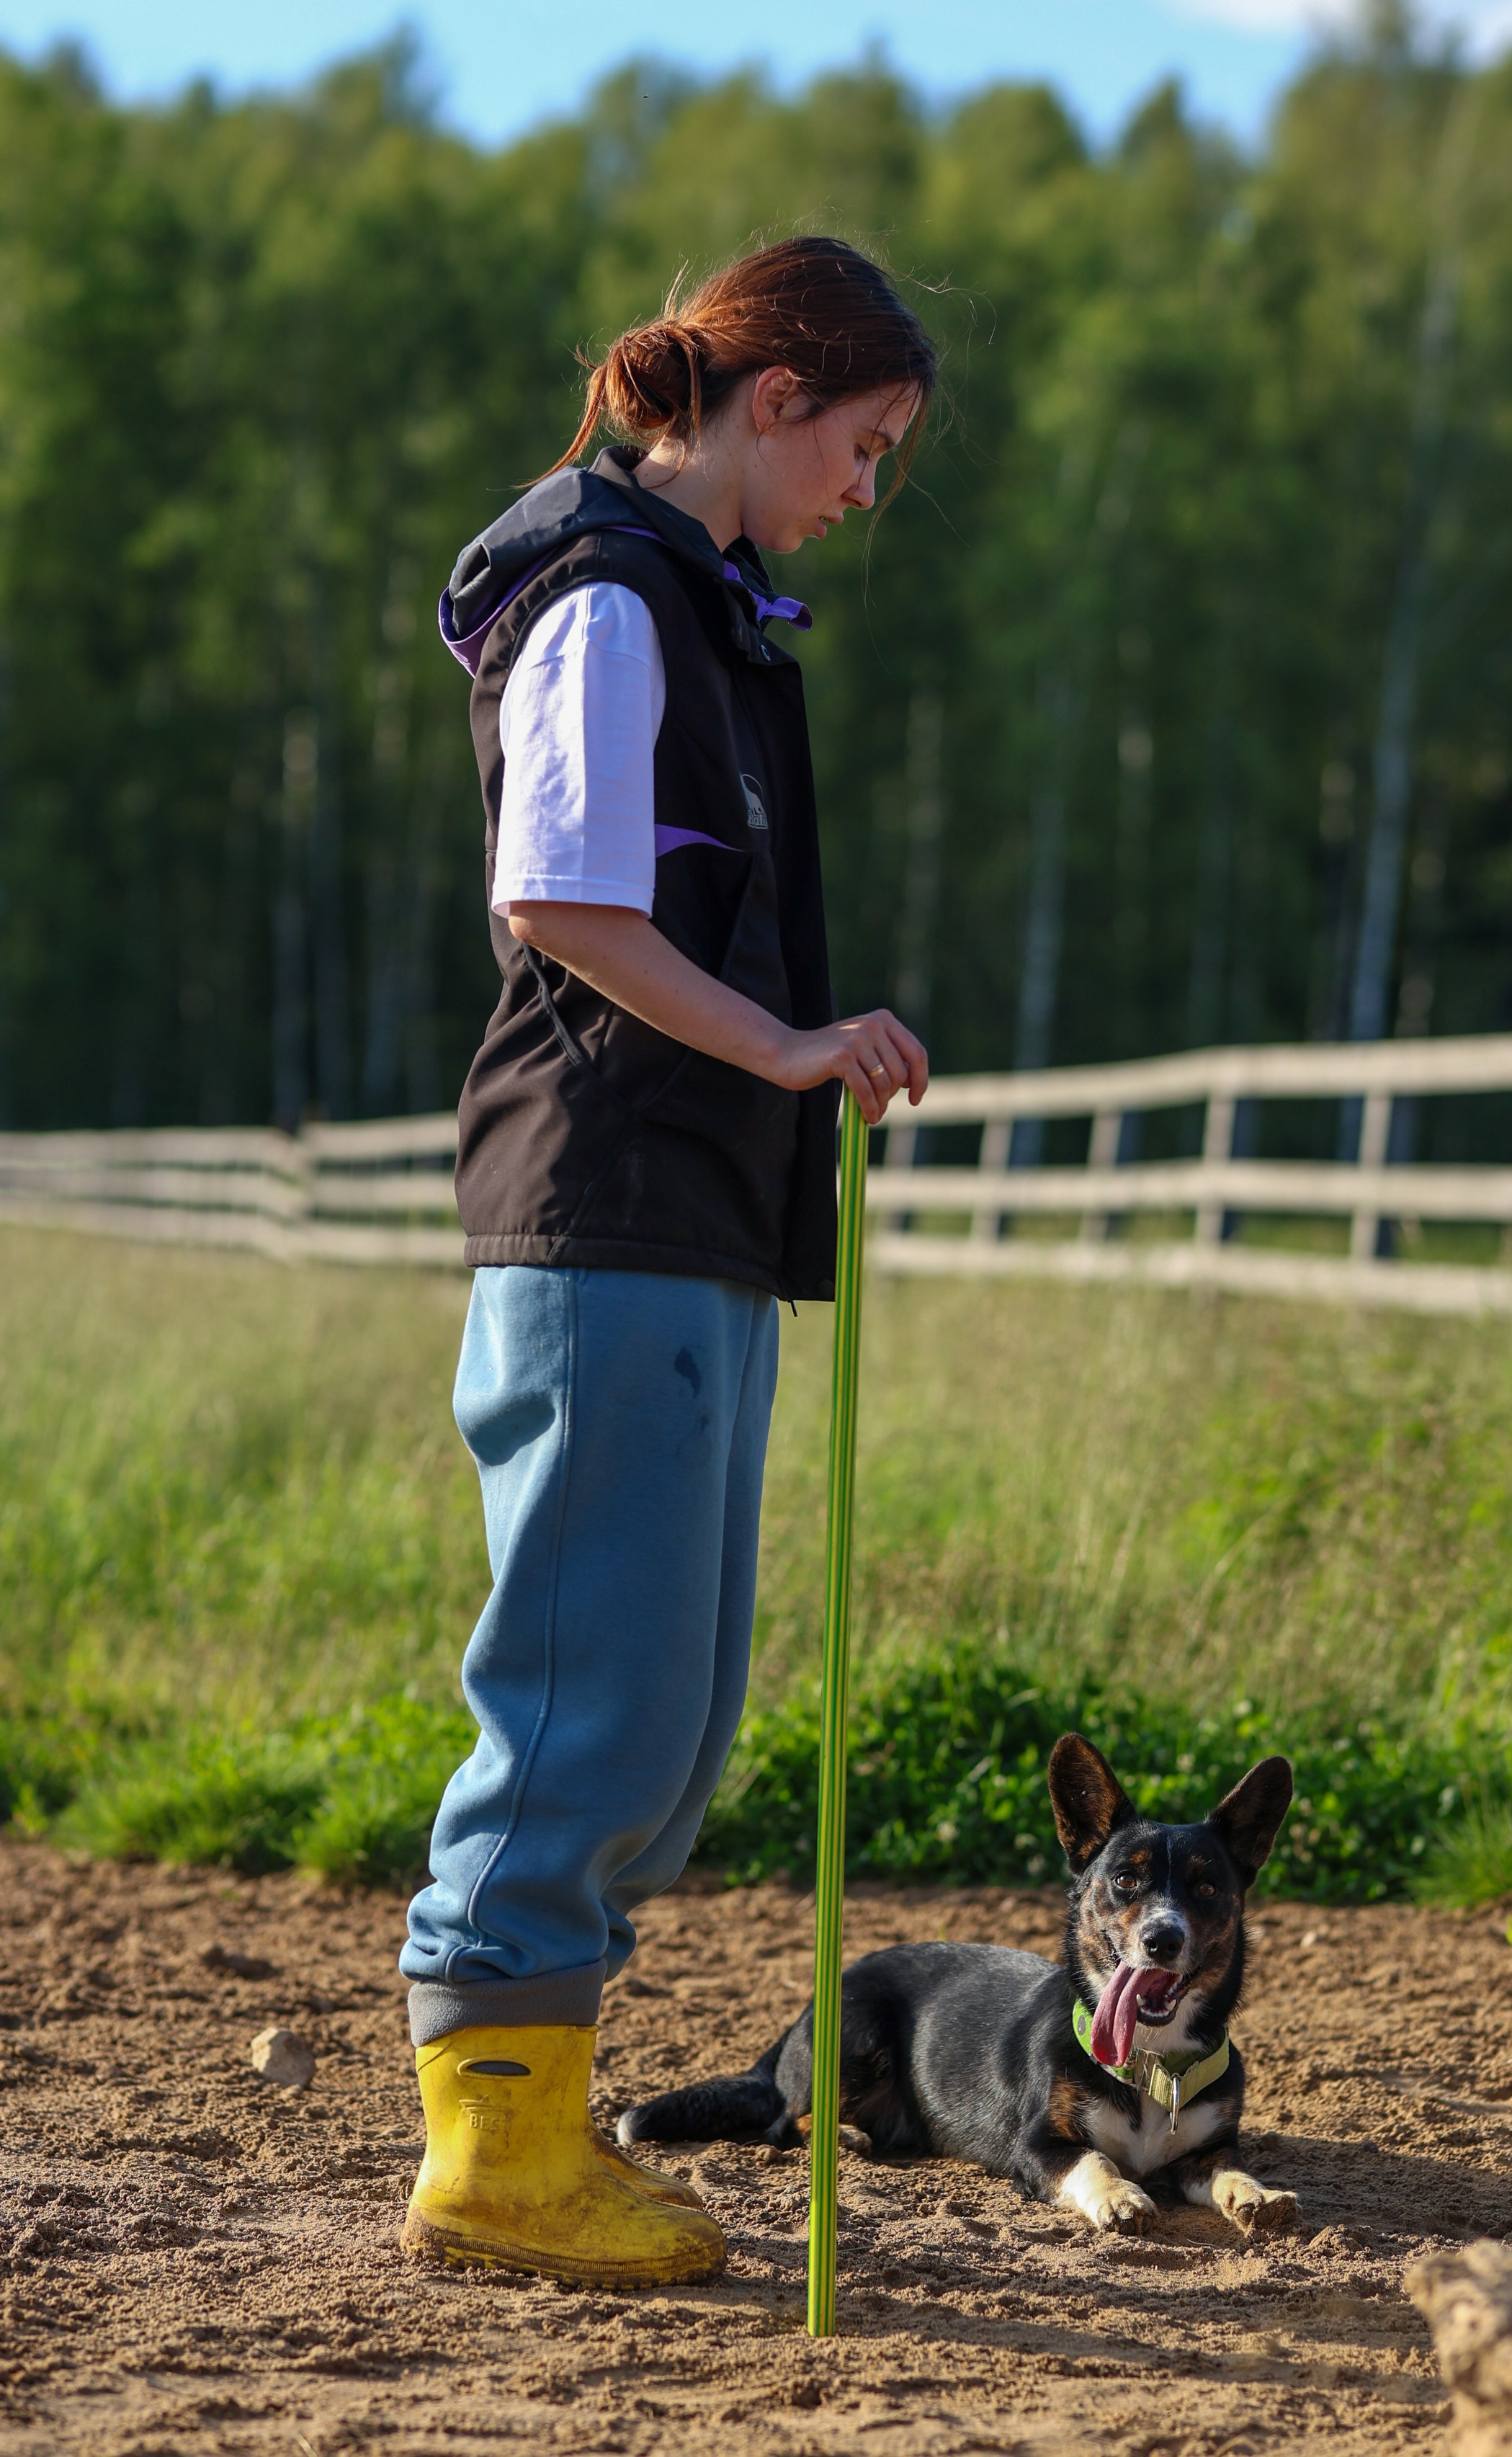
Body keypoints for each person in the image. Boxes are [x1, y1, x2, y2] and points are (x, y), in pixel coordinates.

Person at [398, 238, 937, 2288]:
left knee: (675, 1711)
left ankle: (532, 2112)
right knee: (586, 1691)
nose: (862, 496)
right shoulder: (609, 595)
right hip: (599, 1200)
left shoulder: (698, 613)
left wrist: (794, 1076)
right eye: (865, 447)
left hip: (696, 1212)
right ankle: (500, 2150)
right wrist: (794, 1044)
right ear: (775, 393)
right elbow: (556, 896)